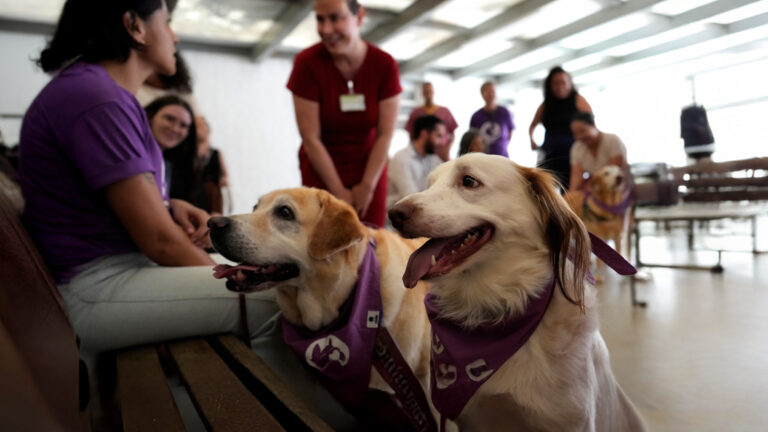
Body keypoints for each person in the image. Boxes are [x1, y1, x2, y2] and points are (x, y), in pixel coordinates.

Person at [287, 0, 401, 228]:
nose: (326, 29)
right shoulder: (306, 64)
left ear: (359, 17)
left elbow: (385, 134)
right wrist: (337, 191)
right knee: (322, 244)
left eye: (335, 18)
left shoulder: (384, 64)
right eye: (320, 19)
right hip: (321, 170)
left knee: (371, 242)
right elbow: (311, 138)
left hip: (370, 169)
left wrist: (367, 186)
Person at [529, 66, 592, 190]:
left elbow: (591, 125)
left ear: (569, 83)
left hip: (572, 152)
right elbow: (532, 126)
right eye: (556, 84)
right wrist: (532, 141)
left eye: (563, 82)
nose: (560, 87)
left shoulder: (578, 100)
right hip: (549, 152)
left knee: (570, 189)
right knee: (542, 188)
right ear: (550, 86)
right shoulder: (546, 104)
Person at [144, 95, 197, 203]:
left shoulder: (171, 166)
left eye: (183, 125)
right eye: (169, 119)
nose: (175, 129)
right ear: (150, 116)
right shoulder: (134, 156)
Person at [387, 115, 447, 208]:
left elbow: (445, 184)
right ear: (424, 134)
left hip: (422, 211)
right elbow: (411, 196)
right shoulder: (401, 158)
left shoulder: (433, 158)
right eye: (438, 136)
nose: (442, 142)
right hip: (399, 215)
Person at [569, 111, 628, 191]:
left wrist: (593, 184)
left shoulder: (612, 140)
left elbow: (613, 172)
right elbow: (576, 176)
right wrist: (571, 195)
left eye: (582, 131)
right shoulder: (577, 148)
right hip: (596, 188)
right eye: (575, 134)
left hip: (618, 186)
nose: (579, 136)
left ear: (593, 125)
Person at [404, 82, 458, 161]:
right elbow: (411, 135)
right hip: (422, 155)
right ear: (422, 93)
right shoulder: (416, 113)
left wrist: (447, 150)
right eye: (426, 91)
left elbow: (452, 134)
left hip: (441, 154)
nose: (428, 94)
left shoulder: (444, 111)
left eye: (430, 91)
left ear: (433, 92)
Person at [469, 81, 515, 157]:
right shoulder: (476, 116)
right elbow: (472, 138)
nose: (491, 95)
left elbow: (510, 132)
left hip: (502, 156)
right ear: (482, 95)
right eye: (488, 92)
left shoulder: (504, 112)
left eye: (493, 92)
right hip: (483, 157)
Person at [194, 116, 229, 215]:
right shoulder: (191, 152)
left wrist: (223, 182)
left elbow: (225, 174)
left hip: (212, 194)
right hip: (197, 192)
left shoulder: (215, 153)